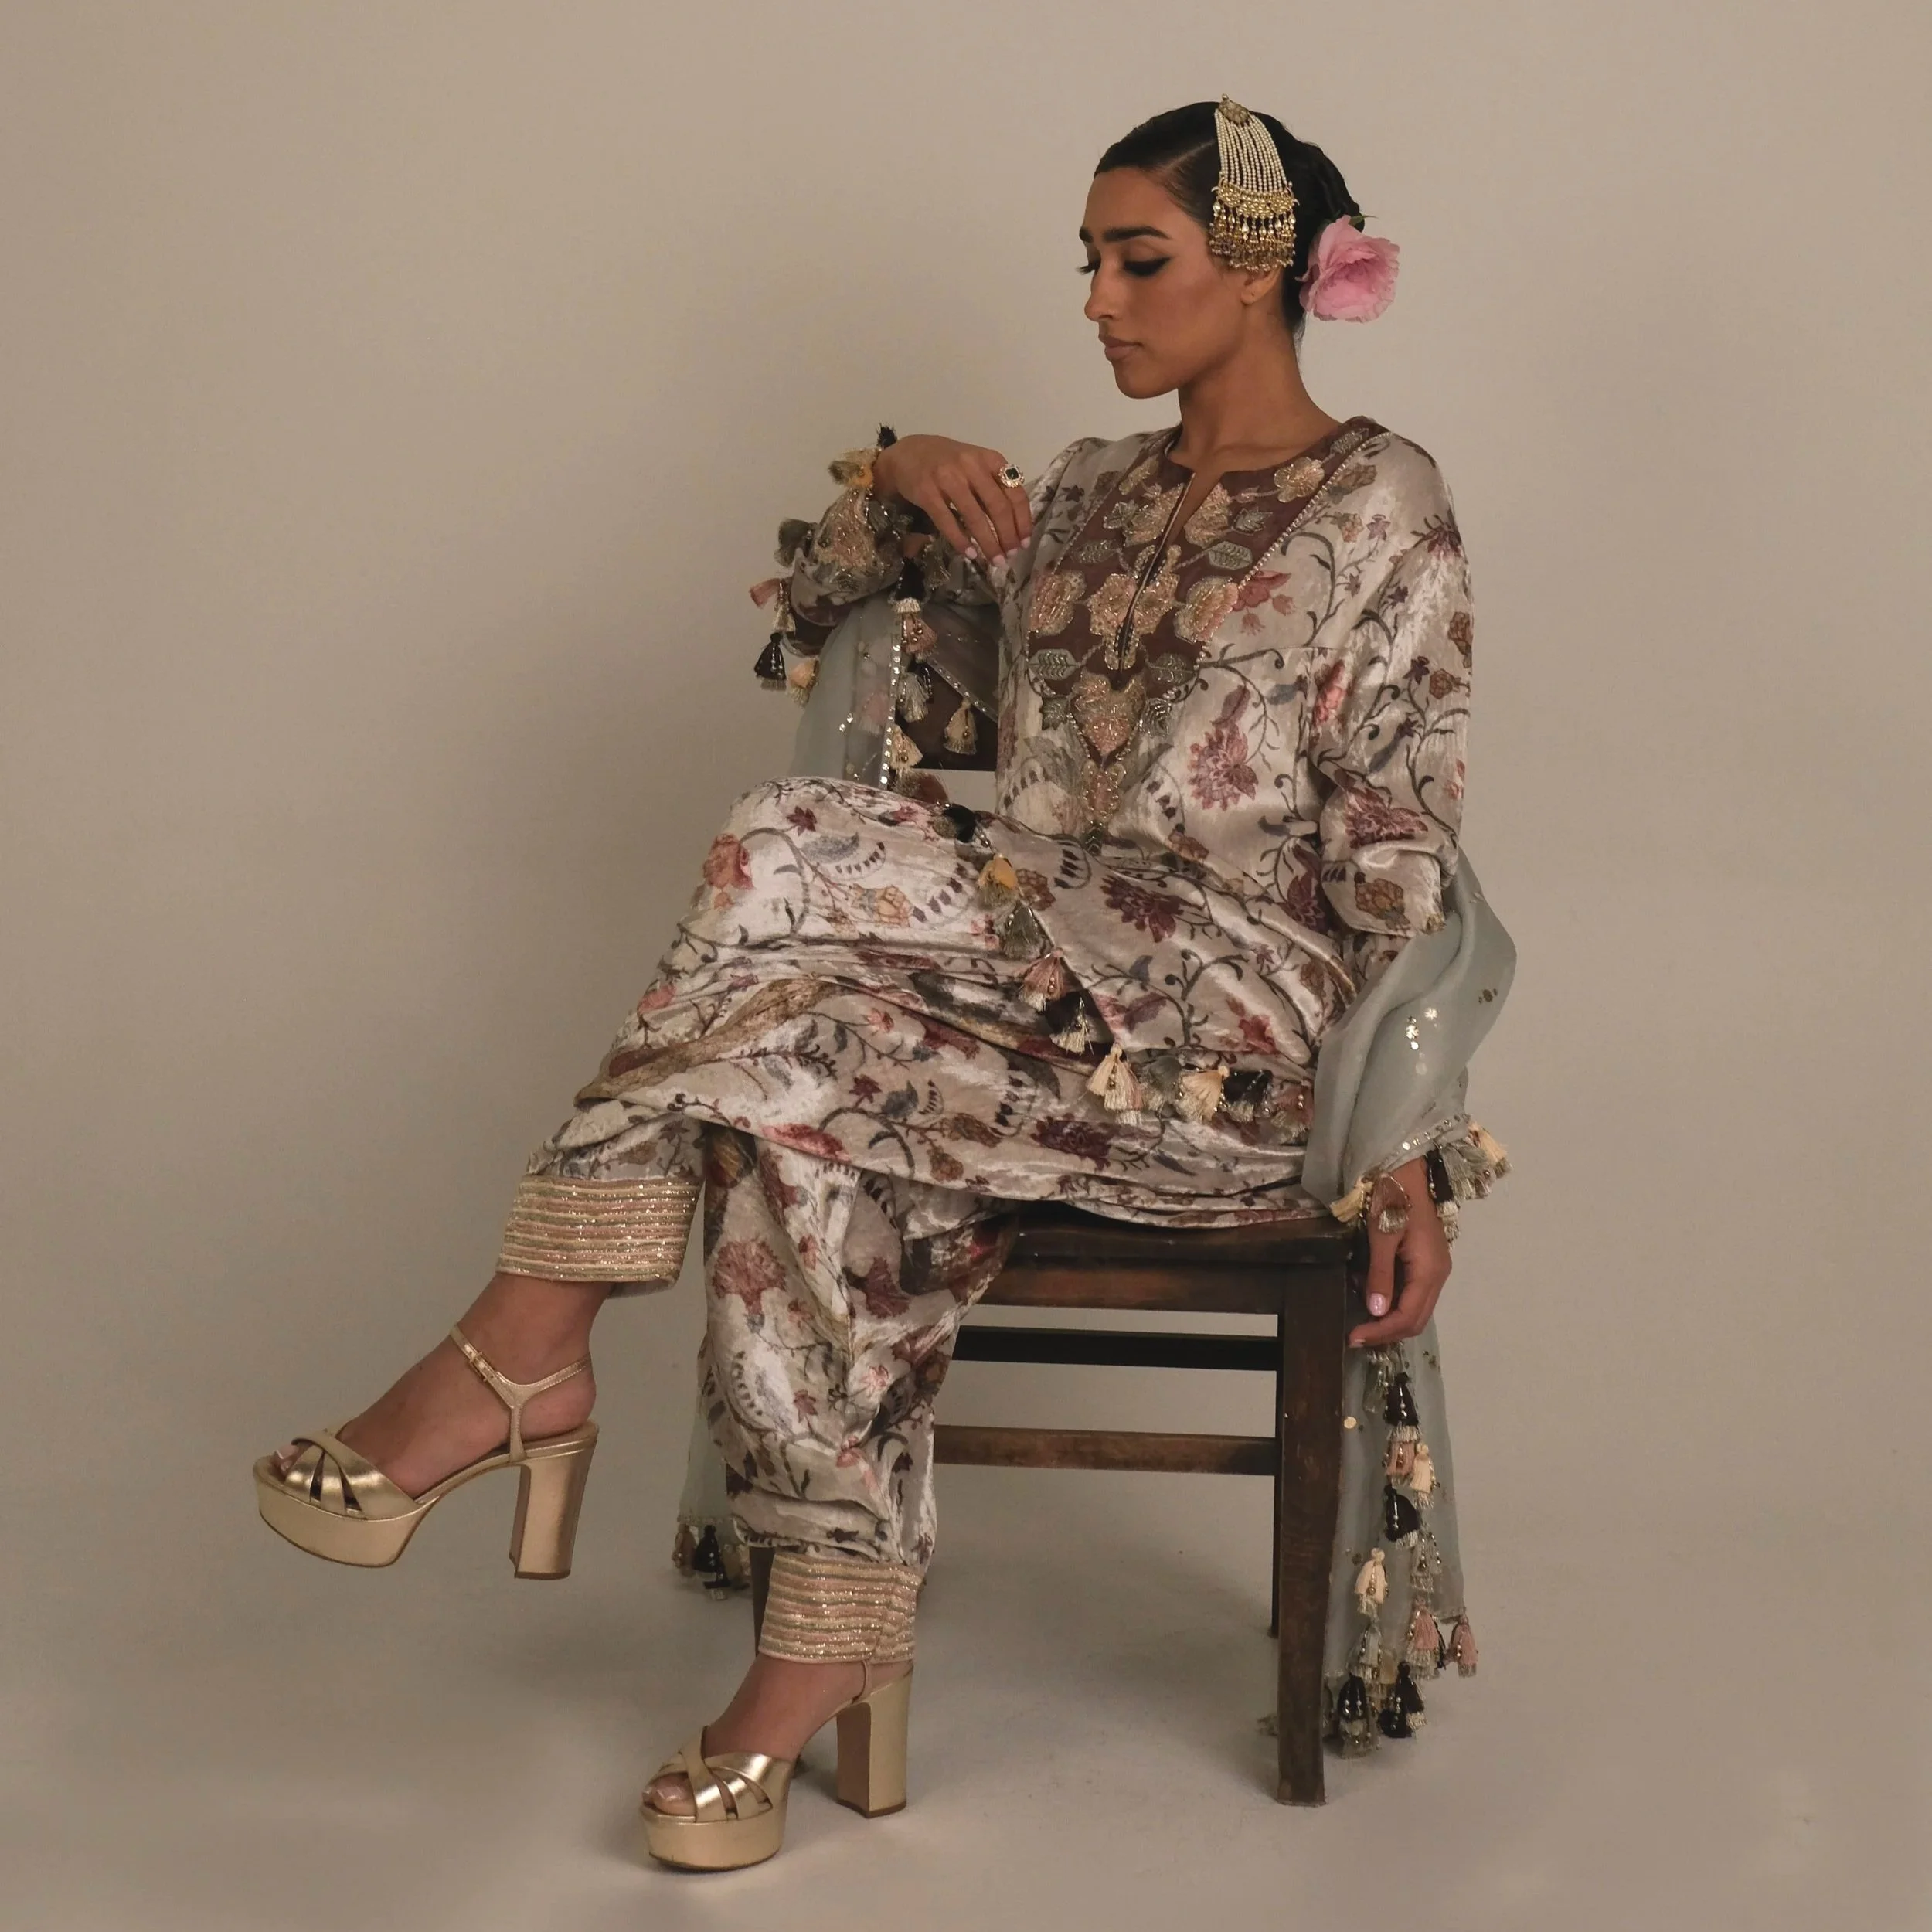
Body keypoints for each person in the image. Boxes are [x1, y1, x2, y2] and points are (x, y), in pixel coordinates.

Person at [253, 97, 1512, 1872]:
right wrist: (894, 464)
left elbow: (1400, 833)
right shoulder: (1076, 496)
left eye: (1133, 258)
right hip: (1011, 1020)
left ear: (1255, 267)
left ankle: (525, 1339)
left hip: (1225, 1050)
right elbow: (821, 599)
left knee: (785, 842)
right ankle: (810, 1659)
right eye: (1082, 259)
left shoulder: (1382, 497)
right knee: (801, 1103)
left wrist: (1405, 1140)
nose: (1094, 297)